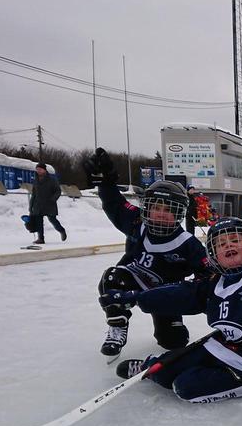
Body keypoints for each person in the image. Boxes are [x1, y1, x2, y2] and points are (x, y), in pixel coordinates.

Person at [102, 217, 242, 402]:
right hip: (221, 347)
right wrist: (136, 298)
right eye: (221, 243)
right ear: (213, 254)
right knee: (165, 374)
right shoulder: (214, 283)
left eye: (235, 240)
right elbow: (180, 295)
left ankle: (186, 371)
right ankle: (150, 367)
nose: (228, 245)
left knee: (184, 388)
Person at [86, 148, 209, 360]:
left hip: (165, 293)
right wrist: (106, 182)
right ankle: (117, 325)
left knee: (174, 341)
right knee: (112, 277)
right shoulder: (136, 223)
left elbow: (207, 276)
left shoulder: (188, 244)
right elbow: (114, 204)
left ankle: (168, 326)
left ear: (178, 214)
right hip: (132, 281)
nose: (161, 214)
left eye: (169, 209)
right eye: (156, 207)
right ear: (147, 208)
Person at [28, 162, 65, 244]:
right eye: (37, 169)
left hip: (49, 203)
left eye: (40, 169)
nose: (38, 171)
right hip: (38, 204)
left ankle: (61, 230)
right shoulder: (35, 181)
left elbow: (58, 191)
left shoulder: (52, 180)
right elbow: (34, 194)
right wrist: (31, 206)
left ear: (44, 170)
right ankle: (41, 238)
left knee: (52, 219)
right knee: (39, 221)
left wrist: (53, 199)